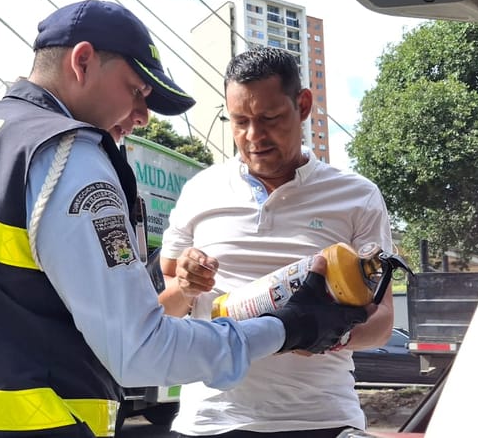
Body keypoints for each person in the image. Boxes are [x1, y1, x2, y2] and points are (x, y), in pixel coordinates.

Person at [0, 0, 369, 438]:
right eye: (136, 91)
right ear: (83, 61)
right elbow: (141, 351)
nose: (142, 116)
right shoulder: (66, 151)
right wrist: (287, 327)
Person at [157, 48, 396, 437]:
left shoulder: (357, 196)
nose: (254, 137)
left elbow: (383, 321)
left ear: (302, 105)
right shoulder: (200, 191)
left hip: (321, 419)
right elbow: (162, 314)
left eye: (270, 119)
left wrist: (329, 334)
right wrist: (185, 287)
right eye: (240, 122)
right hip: (211, 421)